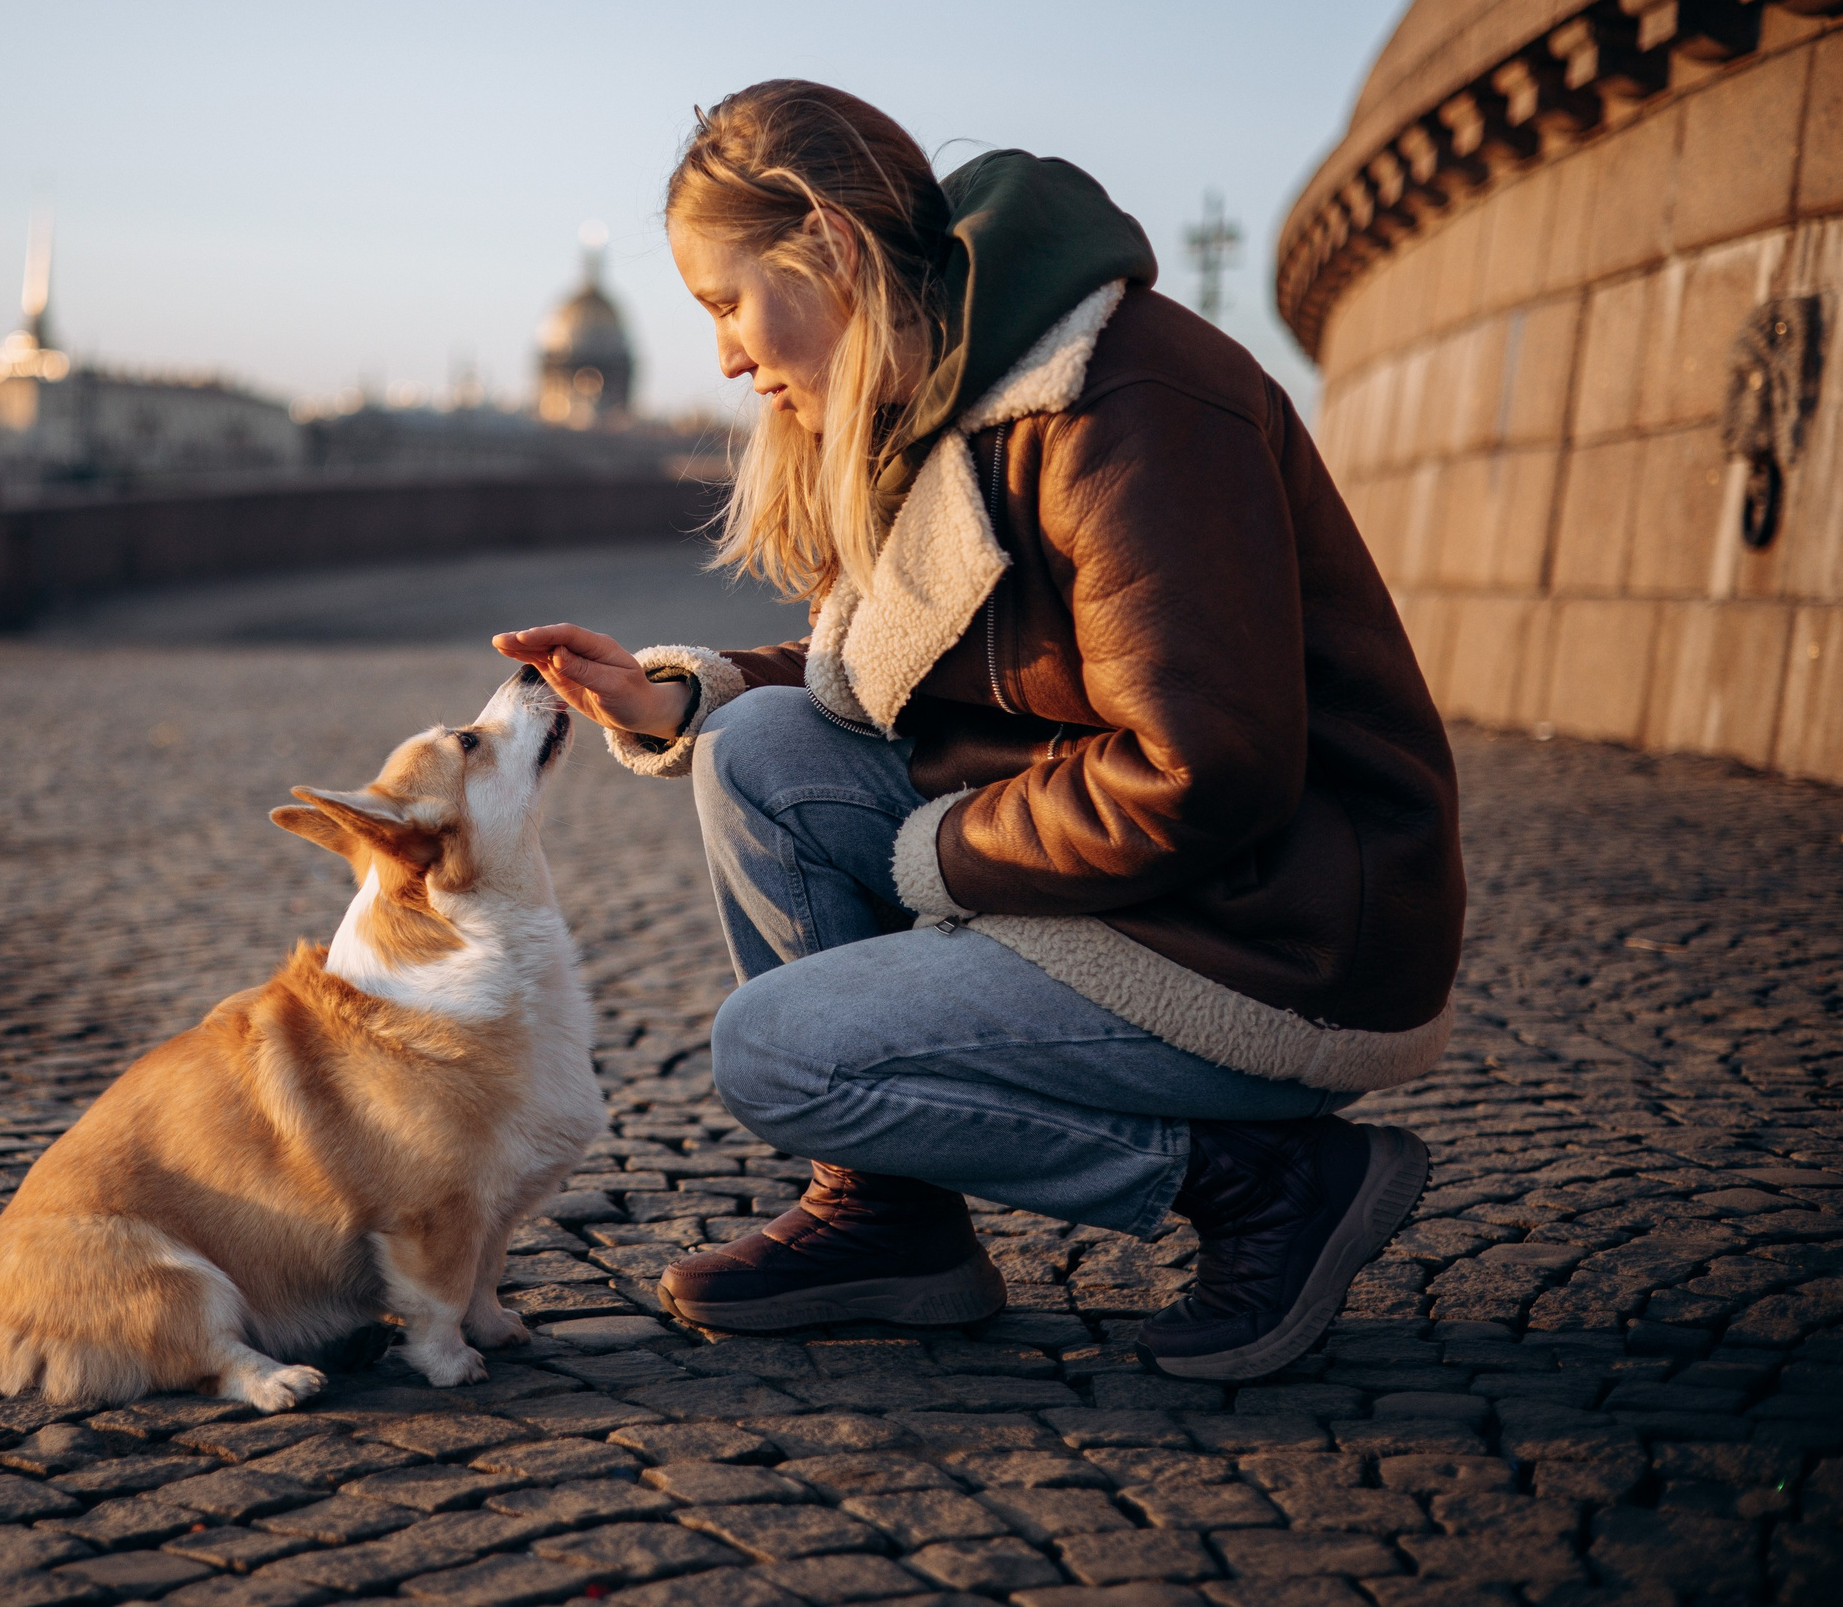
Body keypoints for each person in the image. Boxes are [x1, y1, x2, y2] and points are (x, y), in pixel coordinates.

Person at [493, 81, 1461, 1381]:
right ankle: (891, 1224)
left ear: (828, 248)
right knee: (755, 747)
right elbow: (891, 675)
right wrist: (675, 700)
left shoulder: (1119, 404)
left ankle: (1268, 1183)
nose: (725, 358)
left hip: (1267, 937)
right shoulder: (946, 393)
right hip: (1146, 887)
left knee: (774, 1054)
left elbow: (1199, 767)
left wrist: (930, 861)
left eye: (727, 304)